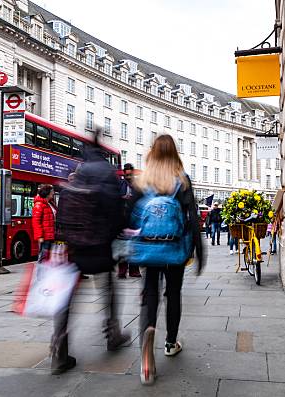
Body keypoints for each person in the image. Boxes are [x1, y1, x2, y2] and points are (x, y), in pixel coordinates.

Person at [128, 134, 204, 385]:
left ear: (152, 153)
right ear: (175, 154)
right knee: (173, 293)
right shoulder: (181, 181)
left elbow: (129, 216)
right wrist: (198, 250)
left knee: (150, 292)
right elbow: (192, 217)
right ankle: (171, 342)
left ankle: (148, 338)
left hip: (148, 249)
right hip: (173, 248)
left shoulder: (142, 181)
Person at [52, 133, 131, 375]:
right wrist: (116, 231)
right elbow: (116, 209)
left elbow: (63, 208)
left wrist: (63, 238)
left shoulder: (80, 171)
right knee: (108, 290)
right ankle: (112, 334)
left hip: (74, 246)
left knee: (66, 298)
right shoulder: (106, 171)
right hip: (99, 244)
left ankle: (59, 348)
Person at [117, 163, 141, 279]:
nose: (128, 177)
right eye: (126, 175)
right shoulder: (120, 184)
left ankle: (134, 270)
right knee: (122, 246)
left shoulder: (138, 185)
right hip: (122, 219)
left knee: (134, 246)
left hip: (135, 219)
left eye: (130, 175)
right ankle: (122, 270)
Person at [32, 184, 56, 262]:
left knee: (48, 257)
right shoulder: (39, 205)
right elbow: (36, 221)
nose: (53, 193)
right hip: (45, 236)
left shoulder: (50, 203)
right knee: (43, 257)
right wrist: (39, 236)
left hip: (51, 235)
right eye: (52, 191)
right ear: (47, 193)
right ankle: (39, 272)